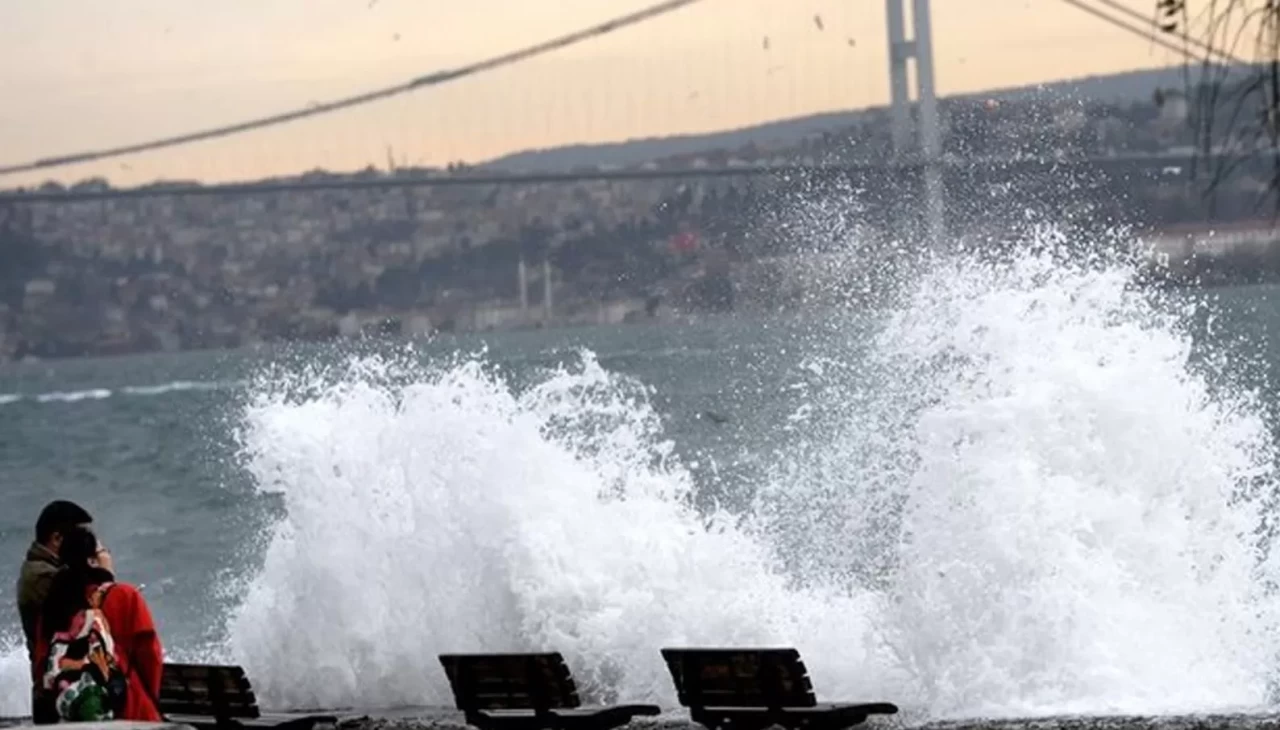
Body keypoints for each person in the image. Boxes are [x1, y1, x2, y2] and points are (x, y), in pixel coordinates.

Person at [33, 526, 163, 723]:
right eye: (104, 551)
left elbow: (41, 663)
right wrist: (150, 697)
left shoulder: (53, 605)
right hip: (126, 707)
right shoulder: (126, 596)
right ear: (93, 559)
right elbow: (150, 655)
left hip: (71, 713)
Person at [17, 500, 94, 723]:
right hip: (56, 689)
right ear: (57, 538)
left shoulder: (39, 569)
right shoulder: (45, 576)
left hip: (53, 684)